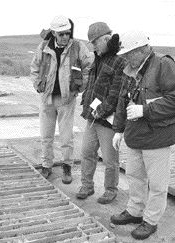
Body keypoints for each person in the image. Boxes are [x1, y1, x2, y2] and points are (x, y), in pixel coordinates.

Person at [111, 31, 175, 240]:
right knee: (135, 176)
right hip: (136, 135)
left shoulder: (163, 65)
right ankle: (135, 211)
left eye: (129, 53)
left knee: (157, 184)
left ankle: (150, 221)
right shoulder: (130, 69)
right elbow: (122, 101)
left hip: (158, 137)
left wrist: (145, 110)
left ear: (142, 49)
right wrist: (118, 129)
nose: (126, 58)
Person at [30, 15, 93, 184]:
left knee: (66, 138)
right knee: (46, 136)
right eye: (62, 34)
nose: (65, 37)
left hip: (66, 99)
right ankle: (46, 165)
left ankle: (67, 167)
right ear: (54, 33)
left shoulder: (78, 47)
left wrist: (80, 87)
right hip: (46, 98)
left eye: (68, 33)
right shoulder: (43, 47)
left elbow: (89, 66)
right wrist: (37, 85)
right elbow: (34, 67)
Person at [75, 22, 126, 204]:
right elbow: (93, 83)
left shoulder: (120, 60)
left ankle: (111, 190)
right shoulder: (99, 57)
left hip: (107, 120)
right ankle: (87, 186)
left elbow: (116, 93)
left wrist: (101, 111)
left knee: (110, 159)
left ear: (106, 39)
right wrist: (87, 104)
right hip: (92, 117)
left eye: (95, 42)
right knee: (87, 152)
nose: (93, 46)